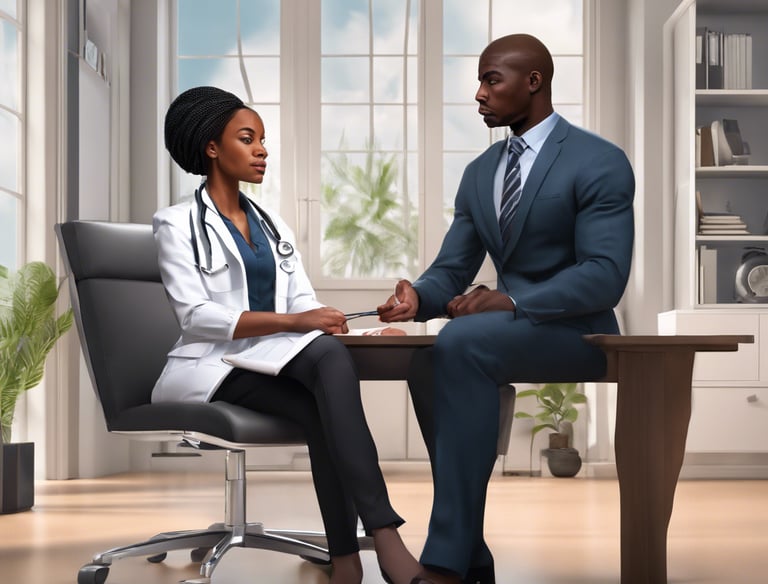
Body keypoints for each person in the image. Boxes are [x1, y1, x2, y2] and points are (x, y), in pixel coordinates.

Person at [378, 34, 635, 584]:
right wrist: (418, 297)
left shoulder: (599, 160)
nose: (479, 93)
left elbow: (604, 274)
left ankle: (446, 561)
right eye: (480, 81)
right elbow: (452, 269)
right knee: (428, 359)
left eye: (491, 80)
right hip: (506, 333)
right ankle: (470, 554)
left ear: (533, 81)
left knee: (459, 342)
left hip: (579, 332)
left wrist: (512, 299)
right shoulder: (480, 172)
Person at [153, 86, 421, 584]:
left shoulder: (272, 225)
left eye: (263, 140)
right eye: (247, 139)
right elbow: (197, 317)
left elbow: (301, 303)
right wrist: (295, 323)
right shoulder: (175, 224)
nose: (262, 151)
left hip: (268, 358)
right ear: (212, 148)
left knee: (326, 378)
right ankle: (383, 534)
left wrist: (349, 322)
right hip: (213, 366)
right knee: (324, 370)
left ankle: (347, 559)